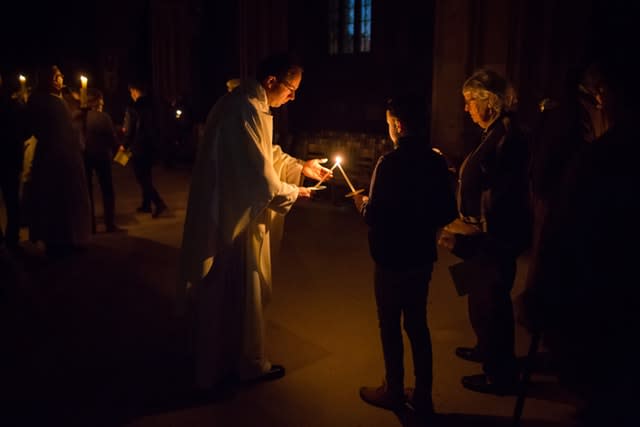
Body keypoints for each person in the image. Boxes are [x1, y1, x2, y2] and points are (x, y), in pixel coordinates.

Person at [178, 52, 332, 389]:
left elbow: (265, 154)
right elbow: (260, 180)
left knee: (234, 293)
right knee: (241, 291)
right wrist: (296, 192)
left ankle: (230, 362)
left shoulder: (249, 105)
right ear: (271, 81)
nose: (294, 96)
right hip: (234, 220)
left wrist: (300, 166)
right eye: (291, 88)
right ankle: (237, 366)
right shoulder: (244, 109)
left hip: (236, 212)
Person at [517, 52, 639, 427]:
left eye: (596, 95)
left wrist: (538, 295)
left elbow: (563, 233)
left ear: (604, 96)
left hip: (601, 302)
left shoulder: (601, 159)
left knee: (603, 395)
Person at [354, 95, 457, 417]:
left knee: (389, 323)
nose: (389, 131)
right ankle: (423, 394)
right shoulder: (436, 161)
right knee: (417, 324)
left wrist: (362, 202)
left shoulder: (390, 163)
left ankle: (394, 390)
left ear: (398, 124)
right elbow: (447, 210)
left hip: (390, 257)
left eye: (388, 124)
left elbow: (375, 215)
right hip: (420, 256)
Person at [438, 68, 531, 395]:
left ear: (489, 101)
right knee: (477, 294)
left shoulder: (507, 136)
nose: (466, 109)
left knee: (493, 300)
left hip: (493, 237)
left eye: (469, 101)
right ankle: (484, 348)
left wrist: (474, 225)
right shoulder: (492, 131)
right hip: (481, 234)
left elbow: (506, 195)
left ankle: (499, 373)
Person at [26, 65, 92, 257]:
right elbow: (38, 126)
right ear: (51, 79)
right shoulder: (39, 100)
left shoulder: (61, 100)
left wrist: (80, 113)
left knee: (70, 198)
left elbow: (67, 125)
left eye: (61, 75)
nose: (61, 78)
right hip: (51, 158)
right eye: (58, 75)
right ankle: (55, 240)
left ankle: (73, 237)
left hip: (68, 157)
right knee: (54, 199)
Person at [121, 80, 167, 218]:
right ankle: (146, 204)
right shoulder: (155, 106)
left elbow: (129, 130)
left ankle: (158, 203)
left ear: (134, 91)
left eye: (131, 92)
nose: (131, 95)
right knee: (147, 175)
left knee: (142, 178)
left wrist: (124, 144)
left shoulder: (132, 107)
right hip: (152, 145)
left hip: (138, 146)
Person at [83, 89, 123, 233]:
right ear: (99, 101)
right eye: (101, 100)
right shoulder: (104, 117)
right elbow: (112, 138)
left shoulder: (83, 117)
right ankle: (109, 223)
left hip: (86, 156)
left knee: (88, 191)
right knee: (107, 190)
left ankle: (90, 225)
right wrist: (120, 148)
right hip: (102, 156)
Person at [0, 72, 30, 252]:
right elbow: (26, 130)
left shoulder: (14, 104)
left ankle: (9, 239)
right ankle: (12, 239)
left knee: (12, 201)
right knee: (12, 201)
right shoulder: (13, 105)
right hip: (10, 158)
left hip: (9, 158)